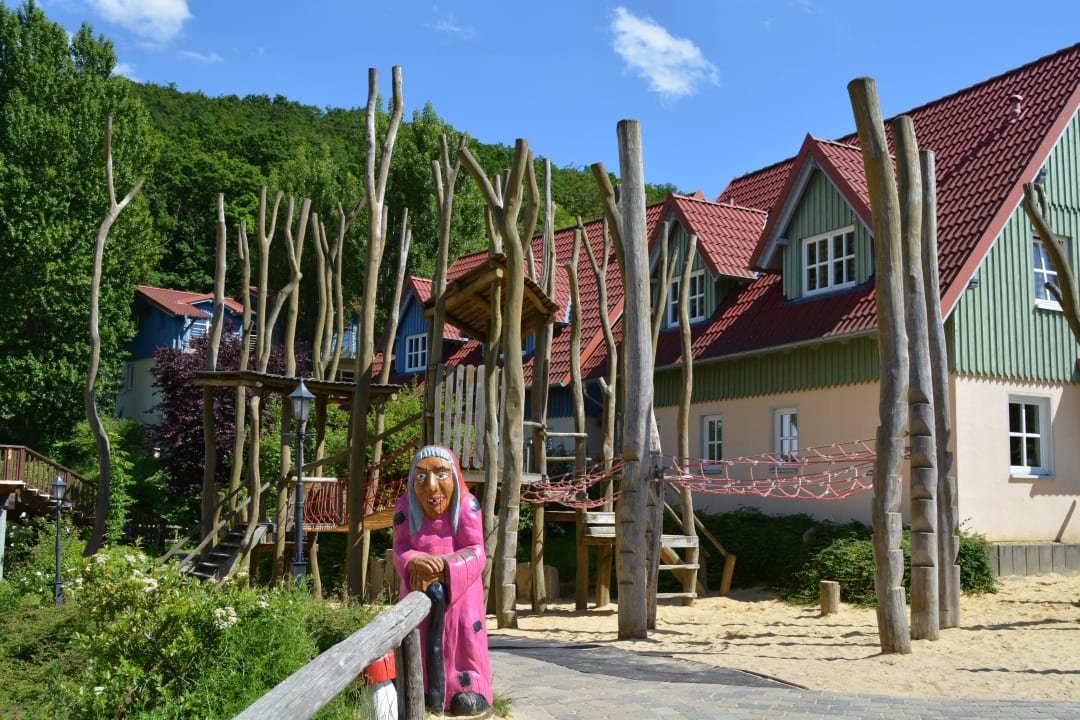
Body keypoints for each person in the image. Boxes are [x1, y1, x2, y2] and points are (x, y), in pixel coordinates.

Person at [392, 445, 492, 716]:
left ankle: (468, 684)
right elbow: (400, 548)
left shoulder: (467, 506)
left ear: (454, 476)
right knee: (417, 633)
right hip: (418, 587)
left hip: (461, 594)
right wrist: (413, 561)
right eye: (421, 476)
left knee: (464, 634)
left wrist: (447, 568)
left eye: (441, 474)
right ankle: (419, 685)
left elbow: (477, 550)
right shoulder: (405, 508)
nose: (431, 486)